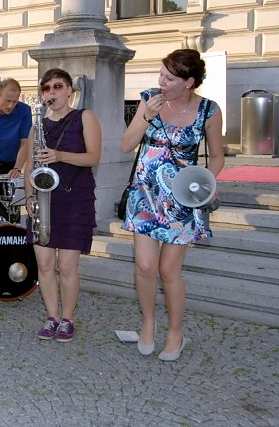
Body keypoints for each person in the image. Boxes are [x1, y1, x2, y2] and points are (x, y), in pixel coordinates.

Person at [121, 49, 223, 361]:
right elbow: (126, 145)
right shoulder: (149, 100)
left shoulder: (209, 110)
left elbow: (217, 156)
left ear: (188, 82)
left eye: (169, 78)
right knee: (145, 266)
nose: (161, 82)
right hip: (145, 194)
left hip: (182, 198)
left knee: (168, 271)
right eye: (161, 75)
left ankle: (176, 332)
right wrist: (146, 117)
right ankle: (148, 323)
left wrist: (208, 184)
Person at [24, 68, 101, 343]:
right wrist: (30, 197)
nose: (52, 92)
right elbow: (29, 166)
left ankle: (68, 319)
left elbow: (93, 158)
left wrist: (59, 155)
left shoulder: (85, 117)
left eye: (58, 86)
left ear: (69, 90)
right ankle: (52, 317)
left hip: (74, 197)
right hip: (44, 200)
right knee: (44, 264)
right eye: (47, 88)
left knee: (67, 266)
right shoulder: (37, 126)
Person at [0, 78, 32, 218]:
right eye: (7, 101)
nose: (10, 106)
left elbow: (25, 142)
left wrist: (17, 168)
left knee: (9, 215)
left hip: (10, 167)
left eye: (15, 102)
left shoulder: (24, 110)